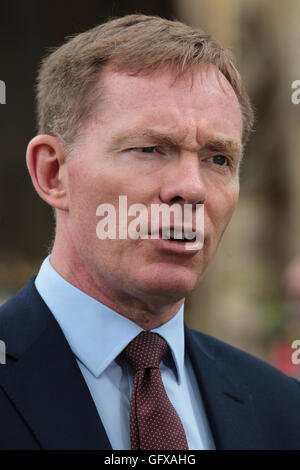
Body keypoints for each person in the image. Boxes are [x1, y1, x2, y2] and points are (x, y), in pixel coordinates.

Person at [0, 14, 299, 451]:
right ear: (53, 173)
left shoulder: (282, 409)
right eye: (150, 149)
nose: (192, 189)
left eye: (218, 159)